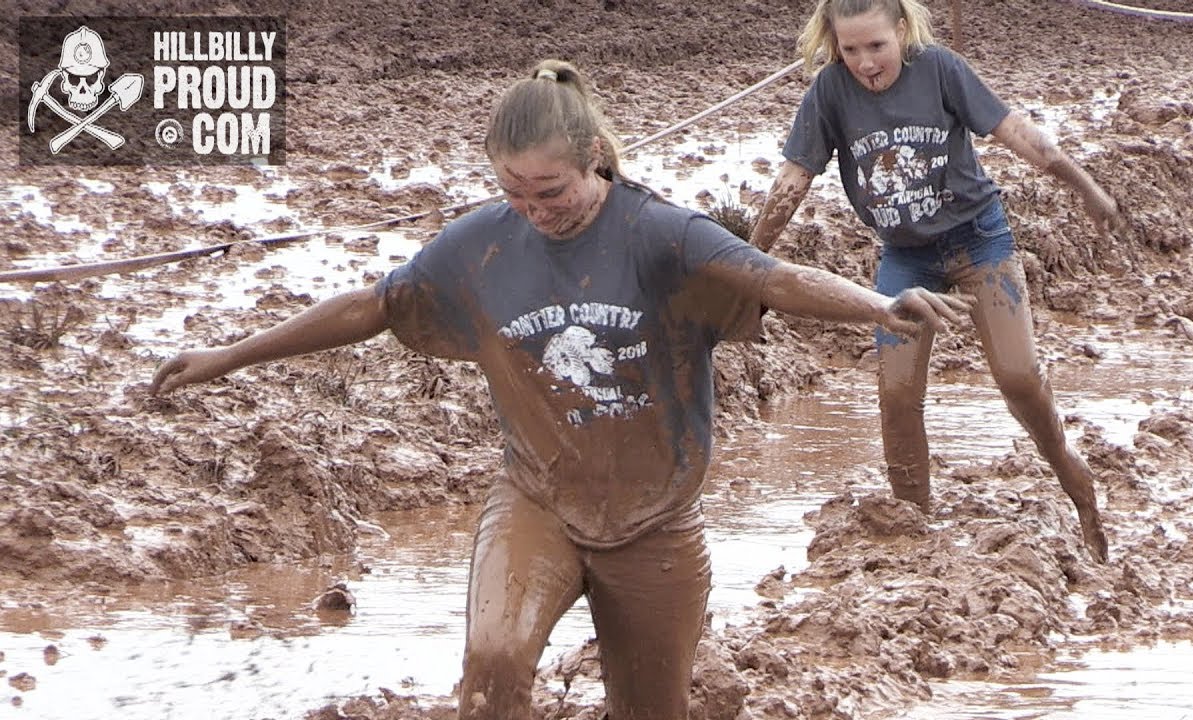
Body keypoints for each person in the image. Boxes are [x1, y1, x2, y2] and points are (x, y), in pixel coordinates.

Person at [151, 59, 966, 719]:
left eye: (551, 192)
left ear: (595, 161)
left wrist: (879, 305)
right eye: (513, 193)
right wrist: (229, 355)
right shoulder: (479, 246)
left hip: (656, 518)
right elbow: (374, 305)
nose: (534, 210)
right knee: (493, 665)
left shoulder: (661, 233)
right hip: (536, 501)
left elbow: (772, 278)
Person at [749, 0, 1117, 564]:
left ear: (901, 31)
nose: (866, 63)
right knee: (896, 393)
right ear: (834, 45)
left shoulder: (940, 68)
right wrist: (749, 264)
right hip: (907, 257)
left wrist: (1085, 186)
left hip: (978, 241)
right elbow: (792, 180)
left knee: (1018, 376)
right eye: (850, 49)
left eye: (877, 46)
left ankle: (1076, 483)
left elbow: (1013, 131)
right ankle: (914, 527)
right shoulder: (829, 92)